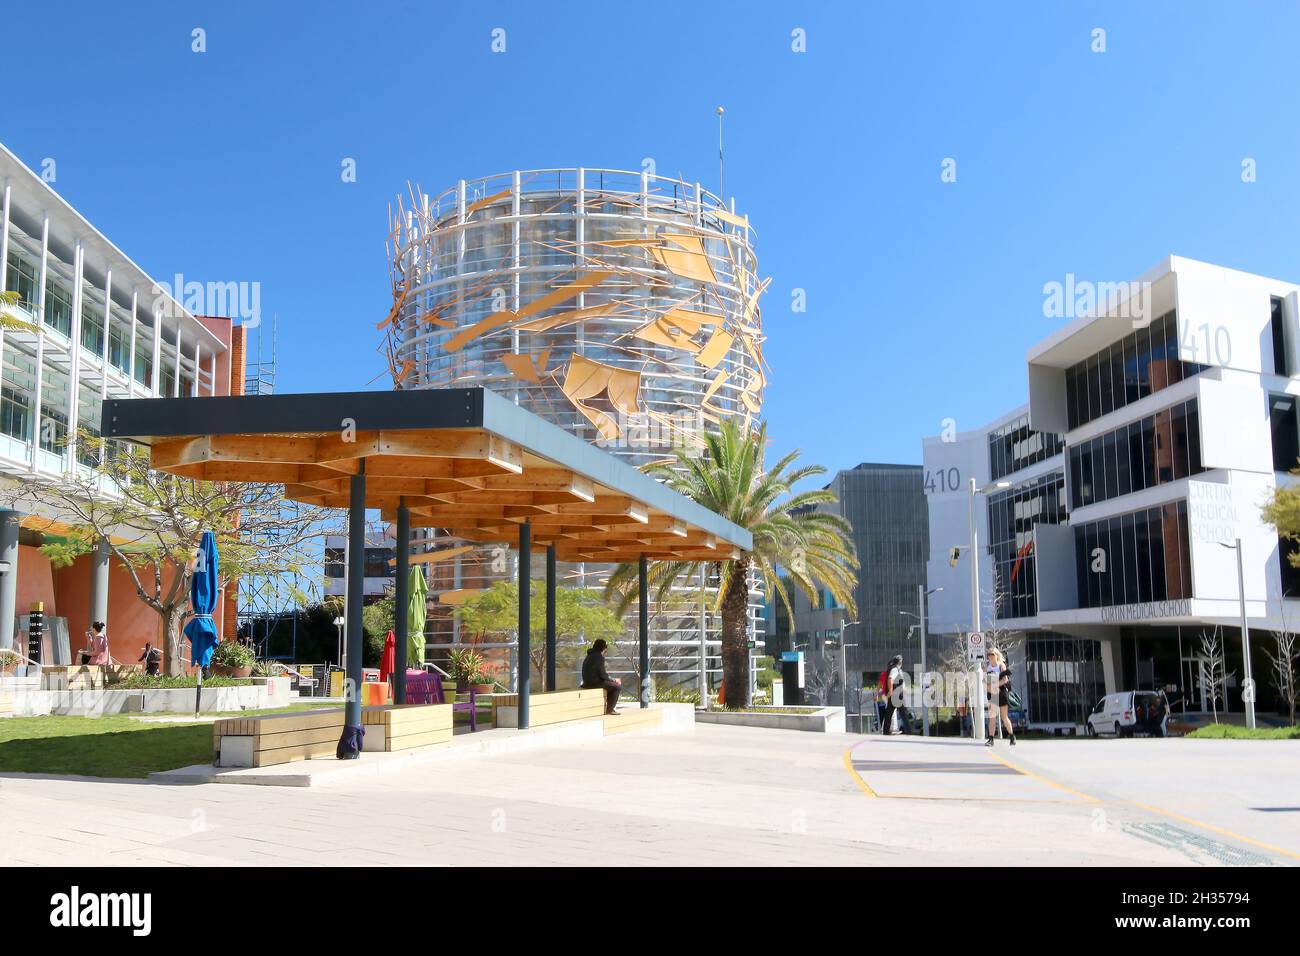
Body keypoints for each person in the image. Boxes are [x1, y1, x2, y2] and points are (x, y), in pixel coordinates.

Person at [580, 638, 622, 715]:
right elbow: (602, 675)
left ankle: (608, 707)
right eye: (605, 647)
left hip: (586, 682)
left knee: (611, 685)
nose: (605, 649)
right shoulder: (599, 657)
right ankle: (609, 709)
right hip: (594, 683)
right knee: (617, 687)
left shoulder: (589, 655)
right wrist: (613, 680)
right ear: (603, 648)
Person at [985, 647, 1016, 746]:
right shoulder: (988, 667)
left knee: (1004, 717)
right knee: (992, 717)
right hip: (992, 694)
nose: (990, 656)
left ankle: (1011, 736)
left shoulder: (1001, 665)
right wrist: (989, 688)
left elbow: (1005, 680)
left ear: (996, 655)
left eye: (992, 654)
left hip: (1001, 692)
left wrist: (995, 685)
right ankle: (991, 739)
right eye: (989, 654)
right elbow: (985, 682)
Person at [880, 654, 904, 735]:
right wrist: (890, 691)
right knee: (899, 713)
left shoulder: (896, 670)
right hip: (893, 694)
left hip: (893, 694)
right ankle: (904, 730)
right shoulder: (894, 670)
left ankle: (887, 731)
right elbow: (888, 681)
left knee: (889, 713)